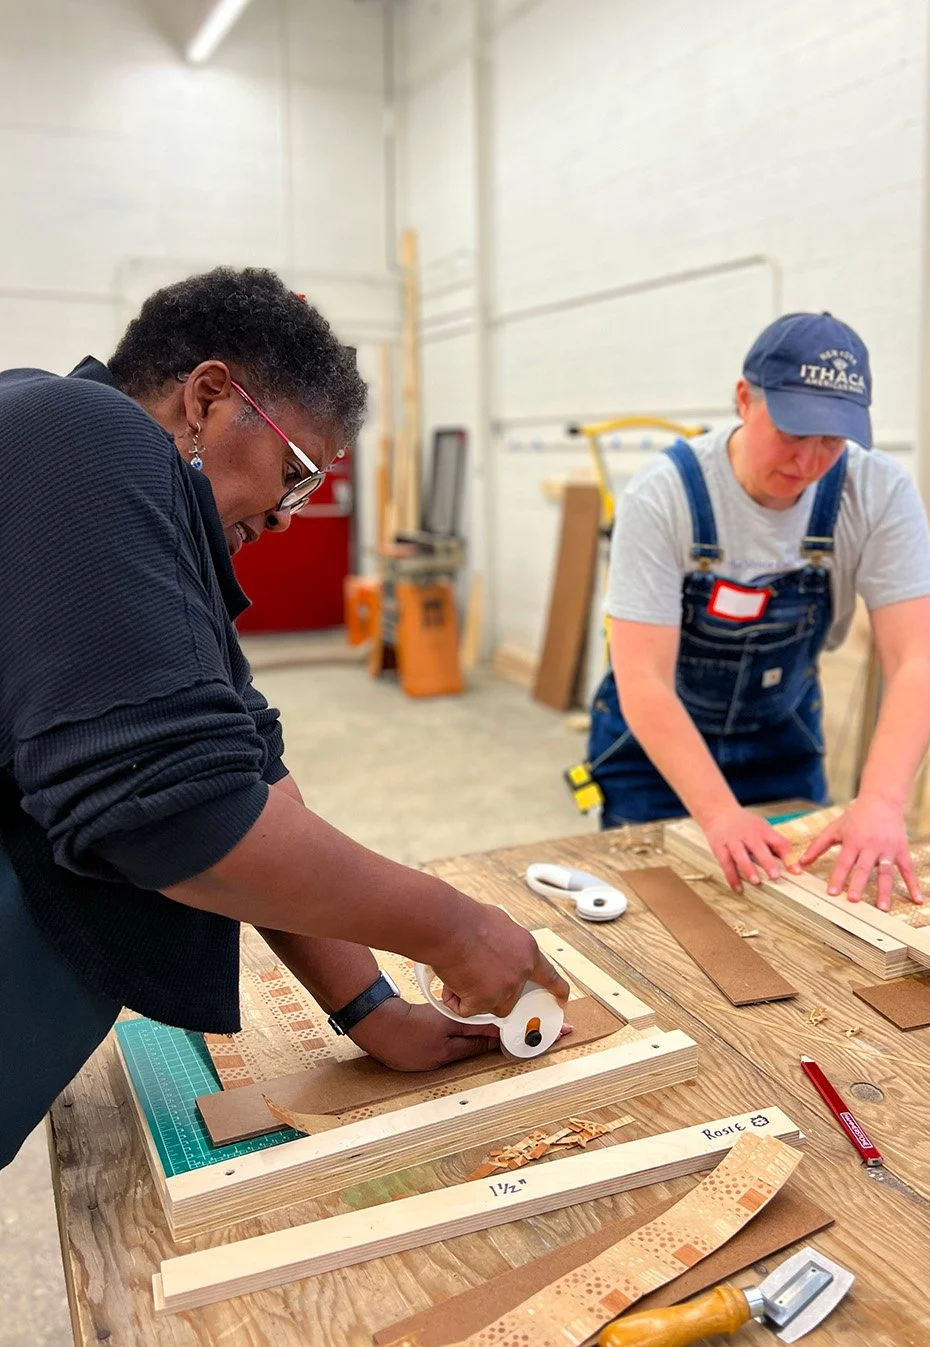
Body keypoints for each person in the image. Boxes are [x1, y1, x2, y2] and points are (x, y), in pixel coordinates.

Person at [0, 267, 568, 1170]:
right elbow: (176, 812)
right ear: (208, 398)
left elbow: (247, 771)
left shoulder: (137, 521)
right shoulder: (81, 432)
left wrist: (371, 1009)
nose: (286, 516)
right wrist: (457, 931)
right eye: (295, 473)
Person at [586, 312, 930, 912]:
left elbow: (918, 659)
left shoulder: (877, 494)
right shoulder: (665, 495)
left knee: (803, 932)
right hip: (654, 759)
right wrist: (718, 813)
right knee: (657, 928)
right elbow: (643, 678)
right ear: (744, 399)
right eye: (792, 433)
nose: (807, 462)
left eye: (831, 441)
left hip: (782, 747)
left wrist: (881, 802)